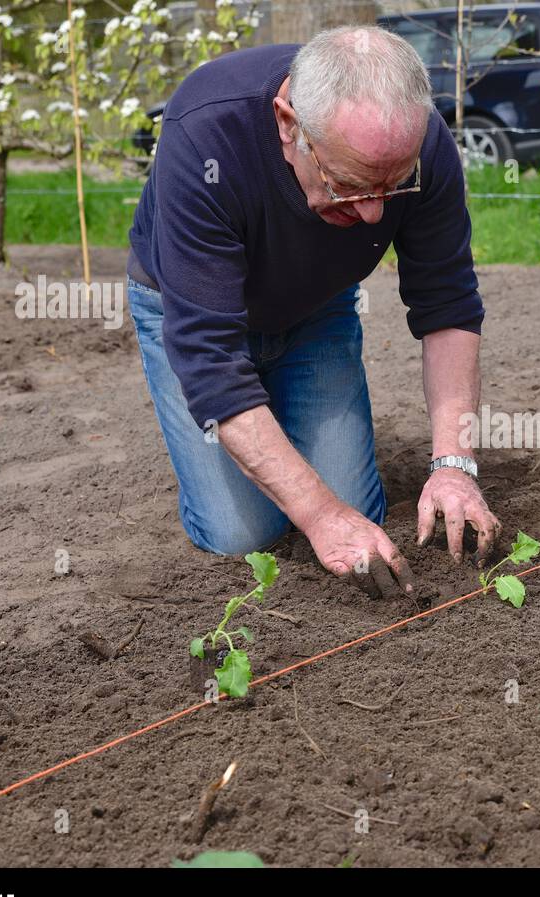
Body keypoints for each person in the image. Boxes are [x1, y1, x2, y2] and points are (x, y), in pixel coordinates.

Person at [126, 25, 501, 599]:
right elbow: (210, 359)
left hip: (315, 311)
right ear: (288, 124)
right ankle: (214, 460)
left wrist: (454, 464)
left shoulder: (422, 143)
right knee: (242, 533)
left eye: (393, 186)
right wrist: (320, 516)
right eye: (350, 185)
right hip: (188, 313)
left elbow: (447, 303)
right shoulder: (205, 132)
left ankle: (268, 442)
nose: (376, 216)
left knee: (352, 503)